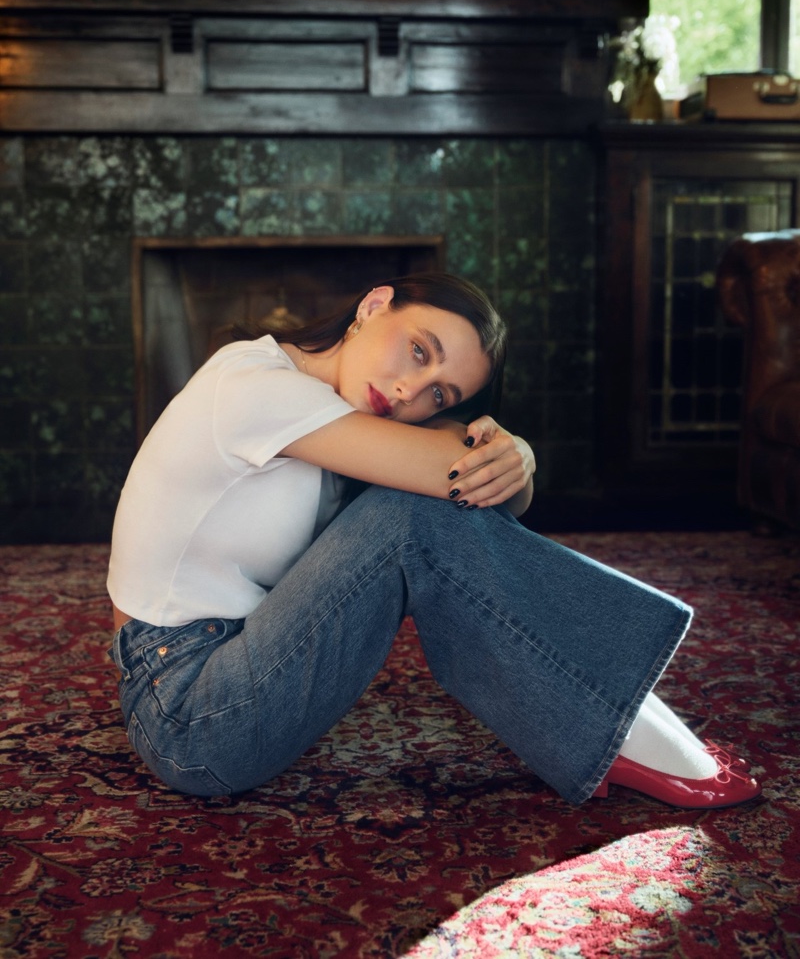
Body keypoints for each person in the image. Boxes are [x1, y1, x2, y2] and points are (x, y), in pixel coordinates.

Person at [107, 273, 760, 809]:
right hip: (187, 714)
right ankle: (612, 718)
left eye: (438, 393)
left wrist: (513, 460)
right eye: (419, 351)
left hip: (237, 659)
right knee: (413, 518)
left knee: (420, 508)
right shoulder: (254, 386)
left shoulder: (333, 410)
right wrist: (517, 456)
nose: (407, 391)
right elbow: (458, 478)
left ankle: (609, 711)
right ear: (372, 305)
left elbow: (478, 482)